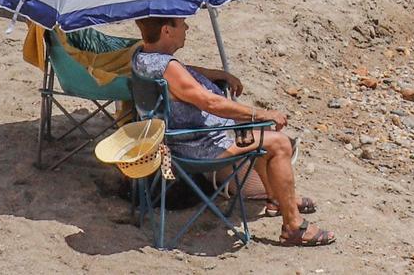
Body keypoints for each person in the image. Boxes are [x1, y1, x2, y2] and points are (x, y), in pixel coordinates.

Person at [130, 16, 334, 248]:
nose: (186, 27)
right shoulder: (168, 67)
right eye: (181, 23)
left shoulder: (142, 57)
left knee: (256, 130)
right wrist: (259, 113)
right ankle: (294, 226)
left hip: (179, 139)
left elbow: (183, 72)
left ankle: (277, 199)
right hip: (198, 147)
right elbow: (211, 103)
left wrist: (219, 75)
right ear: (167, 31)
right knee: (280, 144)